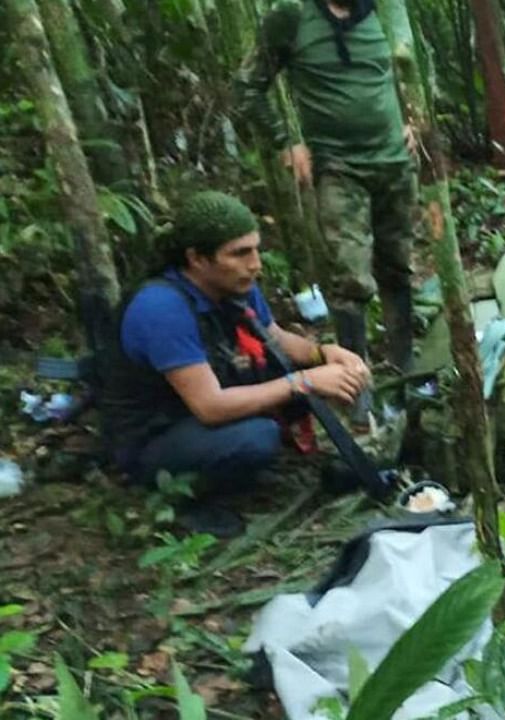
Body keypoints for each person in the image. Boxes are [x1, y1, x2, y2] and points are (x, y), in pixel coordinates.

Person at [101, 192, 371, 532]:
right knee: (257, 438)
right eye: (240, 253)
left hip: (204, 400)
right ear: (197, 259)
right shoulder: (161, 308)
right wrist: (305, 382)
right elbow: (209, 406)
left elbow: (273, 338)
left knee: (288, 376)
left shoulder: (235, 283)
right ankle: (180, 499)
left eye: (256, 249)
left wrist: (323, 354)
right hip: (155, 434)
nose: (255, 264)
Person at [235, 0, 420, 425]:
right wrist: (287, 141)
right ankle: (356, 386)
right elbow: (247, 87)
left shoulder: (387, 10)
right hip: (336, 166)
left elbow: (409, 67)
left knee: (399, 267)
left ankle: (407, 369)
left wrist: (413, 115)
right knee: (350, 277)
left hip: (394, 162)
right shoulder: (293, 18)